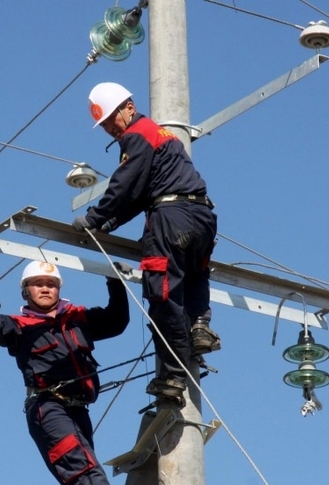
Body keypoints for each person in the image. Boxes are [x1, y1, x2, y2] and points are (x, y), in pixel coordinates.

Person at [0, 260, 153, 485]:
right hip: (47, 408)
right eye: (38, 284)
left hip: (78, 410)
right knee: (80, 466)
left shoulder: (77, 318)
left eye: (52, 284)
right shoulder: (18, 326)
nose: (45, 288)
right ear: (25, 291)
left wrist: (115, 282)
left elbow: (116, 321)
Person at [72, 82, 221, 404]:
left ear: (129, 106)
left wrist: (96, 218)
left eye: (113, 119)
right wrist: (109, 222)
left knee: (162, 294)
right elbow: (140, 192)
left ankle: (173, 375)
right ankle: (199, 327)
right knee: (194, 274)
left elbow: (126, 185)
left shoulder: (137, 135)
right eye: (106, 125)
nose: (112, 128)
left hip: (170, 219)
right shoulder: (161, 136)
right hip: (202, 217)